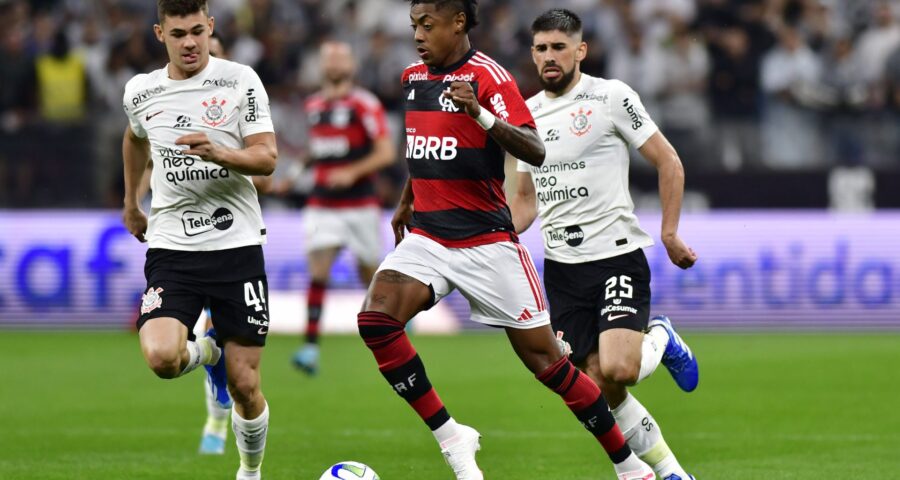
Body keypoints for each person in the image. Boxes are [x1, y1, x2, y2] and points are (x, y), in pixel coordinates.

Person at [356, 1, 654, 479]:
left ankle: (629, 466)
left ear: (458, 23)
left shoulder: (490, 79)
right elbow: (425, 143)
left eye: (426, 25)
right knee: (375, 320)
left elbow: (535, 149)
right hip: (430, 236)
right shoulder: (413, 77)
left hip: (487, 242)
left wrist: (481, 115)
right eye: (414, 25)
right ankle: (453, 439)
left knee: (550, 365)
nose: (417, 35)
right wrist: (408, 196)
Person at [509, 9, 700, 480]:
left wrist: (669, 232)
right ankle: (671, 472)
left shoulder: (611, 96)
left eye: (558, 47)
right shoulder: (523, 117)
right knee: (598, 388)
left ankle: (661, 336)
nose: (549, 57)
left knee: (620, 368)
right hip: (563, 270)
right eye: (541, 48)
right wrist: (489, 239)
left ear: (580, 50)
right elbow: (524, 203)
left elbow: (668, 161)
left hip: (616, 255)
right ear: (532, 54)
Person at [121, 1, 277, 478]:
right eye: (177, 34)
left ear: (210, 27)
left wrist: (220, 152)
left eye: (196, 31)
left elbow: (267, 157)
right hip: (172, 245)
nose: (189, 42)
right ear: (159, 34)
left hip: (237, 246)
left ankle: (248, 474)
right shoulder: (141, 91)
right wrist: (131, 201)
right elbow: (133, 139)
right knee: (162, 358)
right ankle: (206, 350)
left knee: (245, 385)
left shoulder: (240, 80)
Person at [292, 40, 396, 375]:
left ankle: (392, 329)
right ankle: (309, 347)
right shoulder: (313, 105)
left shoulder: (364, 104)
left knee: (371, 276)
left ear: (351, 65)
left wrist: (351, 172)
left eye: (341, 57)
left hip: (360, 204)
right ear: (321, 65)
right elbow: (316, 149)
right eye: (329, 58)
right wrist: (293, 174)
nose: (335, 63)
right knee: (318, 272)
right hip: (322, 203)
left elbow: (385, 152)